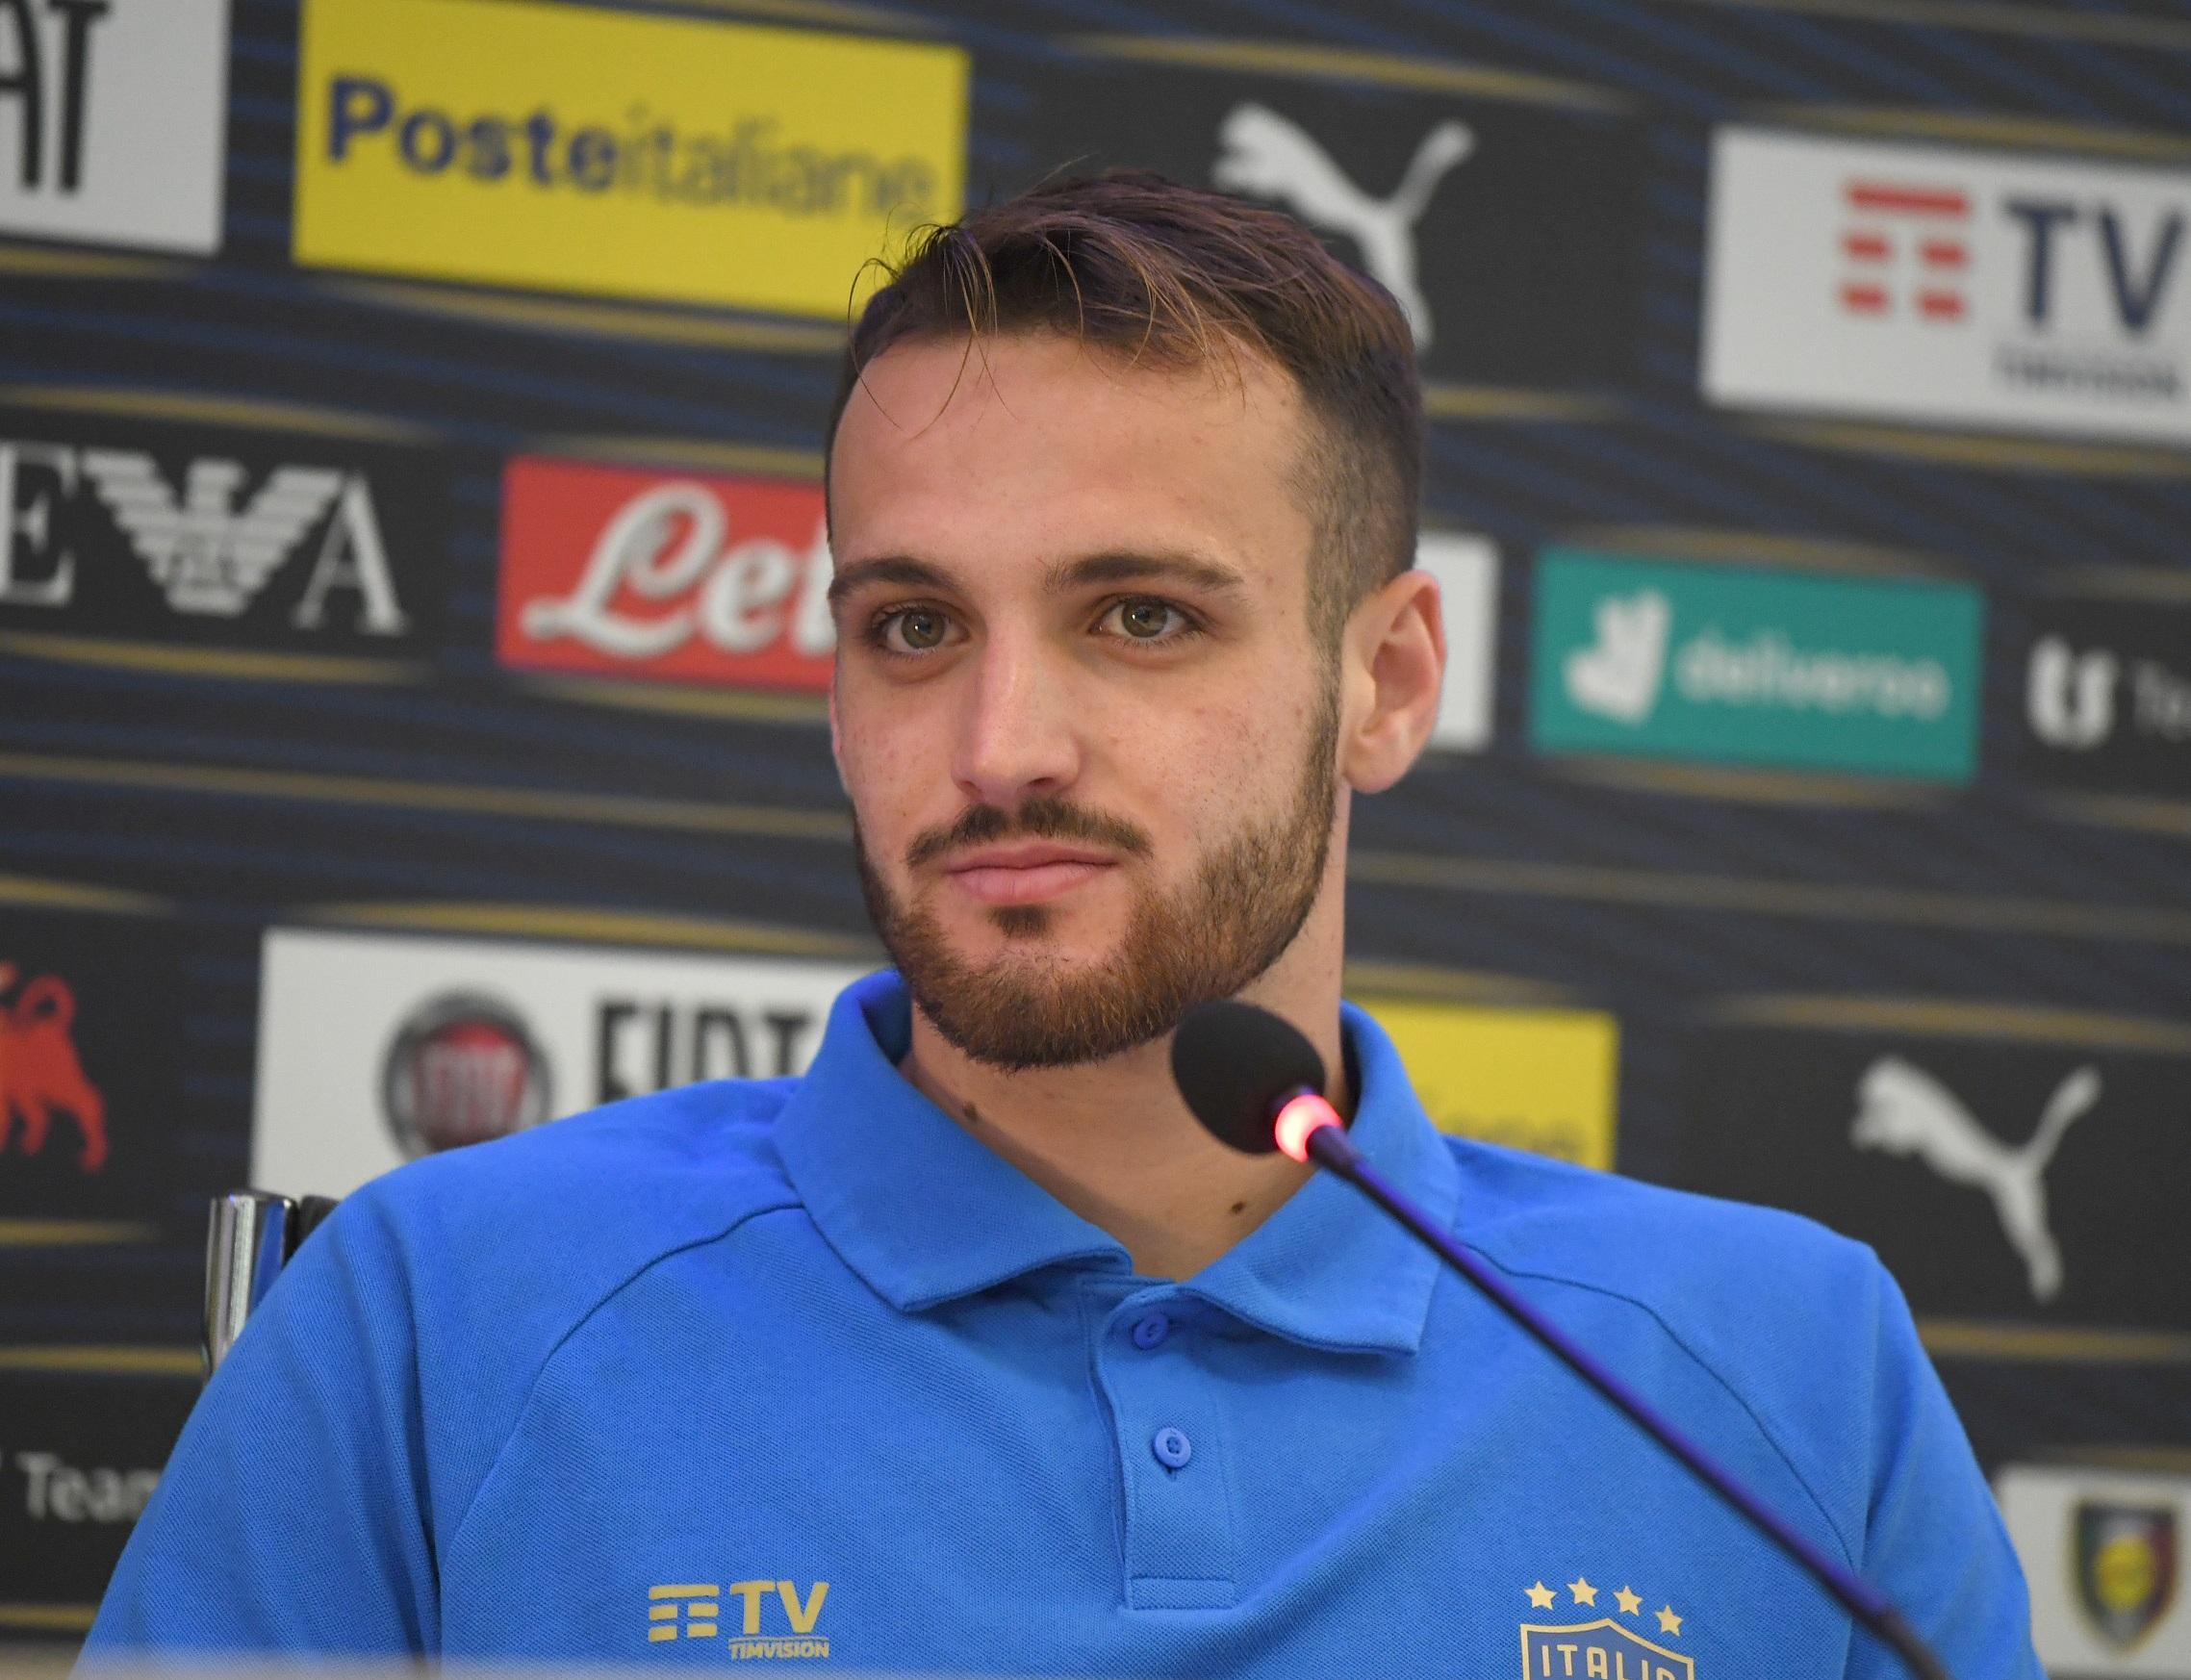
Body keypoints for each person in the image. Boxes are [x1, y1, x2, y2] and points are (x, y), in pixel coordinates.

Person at [85, 172, 2039, 1676]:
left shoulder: (1783, 1373)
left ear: (1386, 681)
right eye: (912, 627)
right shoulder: (438, 1317)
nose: (999, 747)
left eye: (1141, 617)